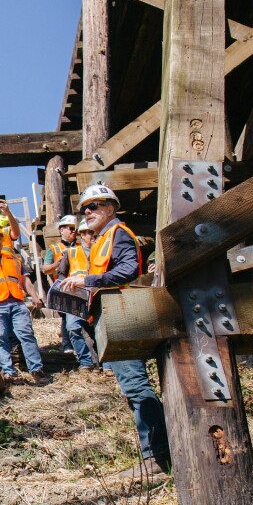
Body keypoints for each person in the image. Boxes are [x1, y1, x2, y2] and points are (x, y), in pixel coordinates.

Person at [54, 184, 171, 477]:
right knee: (132, 388)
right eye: (84, 208)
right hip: (110, 316)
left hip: (124, 316)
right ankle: (155, 454)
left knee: (136, 386)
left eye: (94, 206)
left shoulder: (118, 233)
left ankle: (157, 456)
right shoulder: (104, 238)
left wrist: (88, 280)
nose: (88, 212)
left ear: (110, 208)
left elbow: (129, 270)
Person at [0, 225, 49, 385]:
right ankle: (8, 372)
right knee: (0, 338)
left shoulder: (14, 259)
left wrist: (34, 296)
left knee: (26, 335)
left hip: (17, 302)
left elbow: (25, 279)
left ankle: (37, 370)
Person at [54, 218, 98, 372]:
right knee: (72, 327)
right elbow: (61, 276)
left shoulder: (100, 251)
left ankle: (105, 364)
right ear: (82, 234)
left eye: (92, 232)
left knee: (98, 330)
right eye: (86, 233)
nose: (90, 236)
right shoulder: (71, 252)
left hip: (96, 295)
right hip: (76, 297)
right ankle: (85, 361)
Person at [42, 214, 80, 354]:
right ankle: (67, 344)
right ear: (61, 230)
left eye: (75, 228)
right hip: (63, 286)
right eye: (70, 228)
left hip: (79, 286)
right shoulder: (54, 249)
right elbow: (45, 269)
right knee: (65, 315)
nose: (73, 231)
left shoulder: (80, 247)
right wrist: (58, 263)